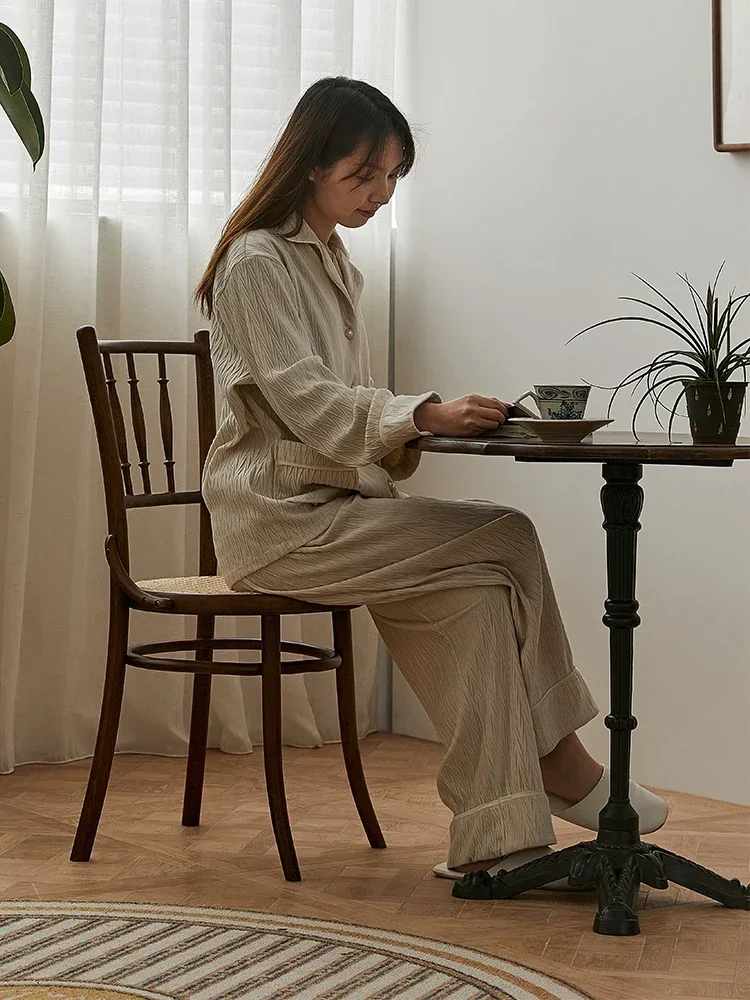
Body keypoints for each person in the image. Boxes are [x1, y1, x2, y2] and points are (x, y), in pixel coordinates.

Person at [195, 76, 668, 887]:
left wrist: (436, 423)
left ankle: (496, 839)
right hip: (278, 526)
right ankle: (565, 759)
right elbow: (309, 405)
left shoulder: (336, 265)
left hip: (343, 511)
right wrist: (423, 415)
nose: (380, 194)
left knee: (480, 595)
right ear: (310, 164)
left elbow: (341, 419)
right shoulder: (255, 262)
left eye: (391, 177)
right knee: (507, 532)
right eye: (364, 174)